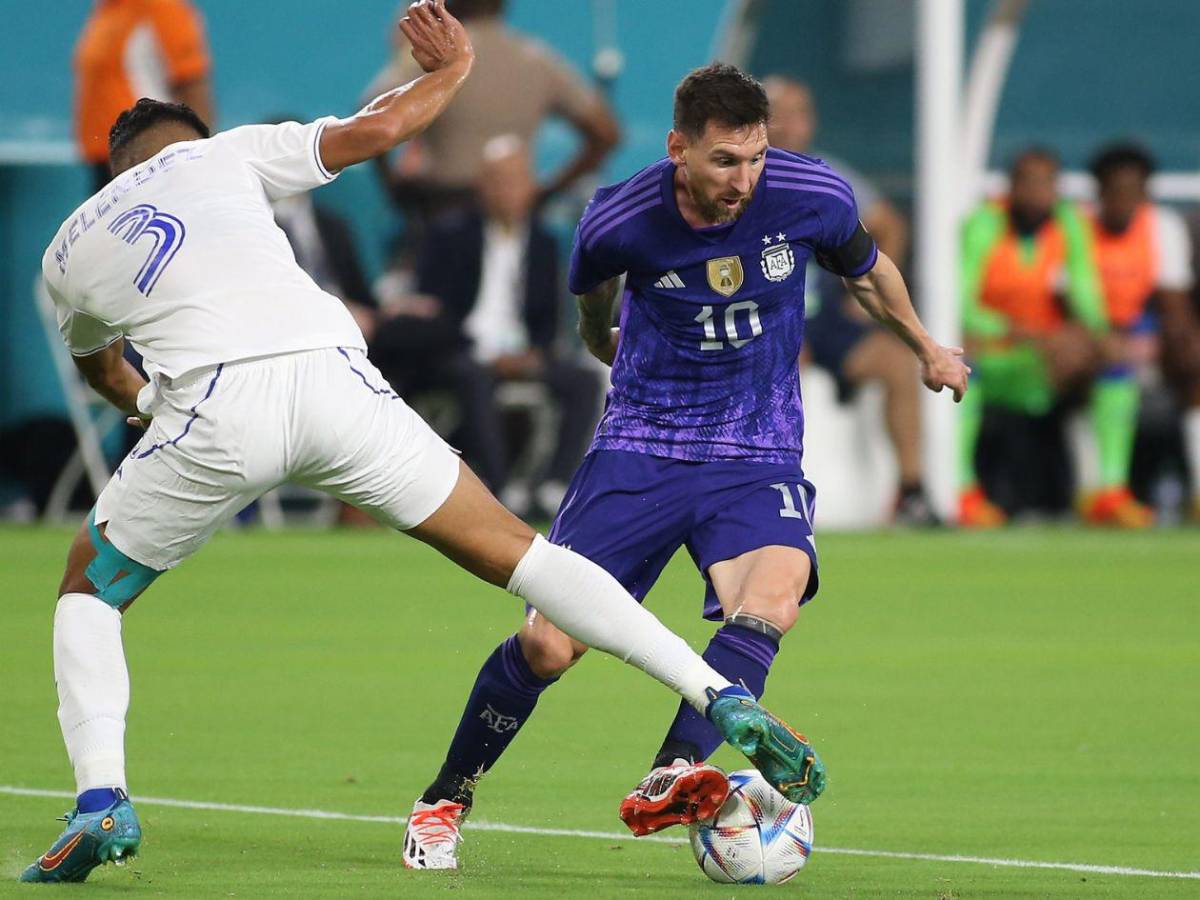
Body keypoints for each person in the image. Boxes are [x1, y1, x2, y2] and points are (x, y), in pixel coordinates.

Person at [21, 4, 817, 884]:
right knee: (525, 557)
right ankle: (717, 693)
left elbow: (106, 373)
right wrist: (448, 71)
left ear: (112, 167)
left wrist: (146, 412)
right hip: (334, 382)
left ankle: (102, 800)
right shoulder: (224, 154)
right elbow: (381, 127)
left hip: (212, 411)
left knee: (87, 595)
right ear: (189, 139)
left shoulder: (67, 251)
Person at [401, 62, 968, 870]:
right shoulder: (616, 220)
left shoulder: (813, 195)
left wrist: (925, 345)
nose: (744, 180)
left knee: (772, 599)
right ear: (678, 149)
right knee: (550, 647)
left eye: (756, 158)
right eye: (724, 162)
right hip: (642, 447)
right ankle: (444, 798)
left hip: (756, 448)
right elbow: (594, 307)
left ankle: (676, 770)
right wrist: (603, 345)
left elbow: (868, 271)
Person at [763, 75, 937, 524]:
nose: (798, 124)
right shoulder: (742, 177)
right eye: (786, 113)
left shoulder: (827, 176)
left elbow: (891, 225)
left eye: (804, 113)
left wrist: (862, 295)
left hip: (821, 318)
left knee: (897, 364)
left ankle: (911, 492)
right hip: (758, 318)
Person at [410, 134, 603, 513]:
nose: (510, 192)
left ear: (531, 185)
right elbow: (432, 312)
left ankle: (554, 483)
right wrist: (480, 351)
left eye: (518, 180)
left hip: (522, 352)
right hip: (464, 353)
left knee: (584, 380)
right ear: (482, 187)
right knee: (473, 377)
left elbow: (549, 317)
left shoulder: (544, 243)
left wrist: (535, 353)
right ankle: (501, 487)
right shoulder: (449, 236)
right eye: (499, 181)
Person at [364, 0, 620, 224]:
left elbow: (369, 113)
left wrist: (394, 186)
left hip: (439, 213)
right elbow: (605, 133)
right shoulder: (537, 61)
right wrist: (546, 192)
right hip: (517, 215)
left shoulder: (439, 60)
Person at [958, 147, 1108, 526]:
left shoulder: (1070, 224)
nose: (1039, 192)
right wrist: (1014, 330)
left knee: (1111, 367)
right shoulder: (984, 224)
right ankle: (964, 491)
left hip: (1043, 357)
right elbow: (961, 300)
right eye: (1030, 182)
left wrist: (1096, 334)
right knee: (958, 377)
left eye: (1048, 183)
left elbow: (1087, 292)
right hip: (993, 354)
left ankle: (1104, 491)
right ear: (1012, 185)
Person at [1080, 143, 1193, 526]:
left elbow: (1173, 302)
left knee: (1193, 361)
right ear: (1100, 193)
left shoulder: (1162, 227)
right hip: (1090, 342)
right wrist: (1102, 337)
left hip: (1144, 340)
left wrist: (1165, 341)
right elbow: (1068, 298)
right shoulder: (1079, 228)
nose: (1125, 201)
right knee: (1111, 364)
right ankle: (1105, 492)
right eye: (1116, 191)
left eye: (1135, 192)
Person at [75, 0, 215, 193]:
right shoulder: (106, 10)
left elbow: (192, 85)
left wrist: (199, 161)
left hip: (147, 159)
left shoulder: (162, 8)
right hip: (108, 161)